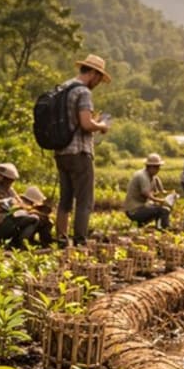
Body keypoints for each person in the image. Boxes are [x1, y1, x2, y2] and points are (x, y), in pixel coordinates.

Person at [54, 54, 111, 247]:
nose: (98, 83)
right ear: (93, 73)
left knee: (65, 200)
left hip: (61, 151)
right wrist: (102, 125)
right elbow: (86, 124)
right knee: (85, 200)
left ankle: (61, 240)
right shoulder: (84, 92)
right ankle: (80, 241)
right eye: (99, 78)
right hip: (79, 152)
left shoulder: (63, 88)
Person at [0, 163, 40, 249]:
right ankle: (20, 244)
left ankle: (15, 243)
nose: (11, 182)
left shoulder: (9, 189)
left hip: (8, 219)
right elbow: (8, 206)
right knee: (34, 219)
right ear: (3, 178)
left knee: (34, 217)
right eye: (10, 180)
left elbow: (19, 203)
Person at [124, 153, 172, 230]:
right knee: (163, 210)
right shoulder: (142, 176)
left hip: (142, 207)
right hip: (134, 210)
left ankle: (153, 226)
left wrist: (171, 195)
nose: (158, 169)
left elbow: (161, 191)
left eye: (159, 167)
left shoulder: (154, 177)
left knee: (162, 208)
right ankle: (164, 229)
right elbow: (146, 193)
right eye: (157, 167)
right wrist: (161, 201)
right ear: (150, 167)